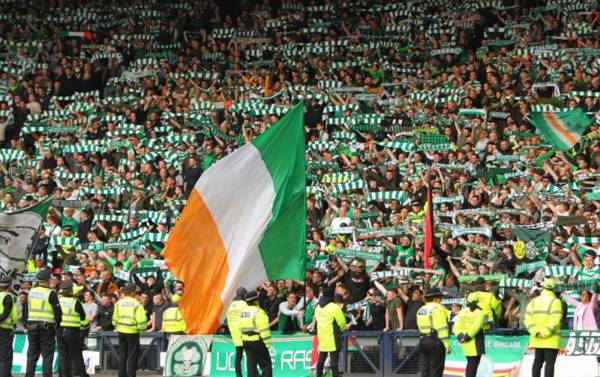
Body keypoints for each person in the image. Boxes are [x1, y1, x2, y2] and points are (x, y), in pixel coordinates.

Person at [23, 268, 62, 377]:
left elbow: (25, 310)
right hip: (47, 328)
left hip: (31, 327)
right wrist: (57, 326)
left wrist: (26, 324)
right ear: (48, 280)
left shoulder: (30, 292)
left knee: (32, 355)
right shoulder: (50, 293)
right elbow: (58, 313)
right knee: (47, 355)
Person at [524, 278, 563, 377]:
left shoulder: (533, 301)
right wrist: (545, 333)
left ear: (543, 288)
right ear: (554, 289)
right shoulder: (556, 302)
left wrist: (535, 332)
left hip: (537, 338)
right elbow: (555, 320)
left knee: (537, 362)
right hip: (551, 339)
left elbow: (527, 319)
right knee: (549, 364)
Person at [112, 283, 147, 377]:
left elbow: (114, 319)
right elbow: (141, 321)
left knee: (122, 355)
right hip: (132, 332)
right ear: (133, 292)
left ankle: (121, 375)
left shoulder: (119, 303)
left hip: (121, 331)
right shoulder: (137, 304)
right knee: (132, 356)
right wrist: (142, 330)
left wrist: (118, 326)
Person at [57, 280, 89, 377]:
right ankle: (83, 375)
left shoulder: (58, 301)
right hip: (72, 331)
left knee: (63, 355)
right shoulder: (75, 302)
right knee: (76, 354)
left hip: (59, 331)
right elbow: (83, 318)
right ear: (71, 290)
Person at [416, 288, 449, 377]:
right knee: (436, 370)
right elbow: (442, 328)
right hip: (435, 342)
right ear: (435, 298)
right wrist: (447, 345)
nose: (440, 300)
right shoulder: (438, 308)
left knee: (425, 370)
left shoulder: (421, 309)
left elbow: (419, 326)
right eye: (439, 298)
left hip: (423, 341)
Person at [314, 287, 347, 377]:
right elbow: (342, 322)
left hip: (322, 336)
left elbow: (316, 319)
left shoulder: (318, 307)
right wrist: (341, 330)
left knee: (321, 359)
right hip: (332, 336)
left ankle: (319, 376)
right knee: (334, 361)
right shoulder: (334, 307)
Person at [239, 290, 272, 377]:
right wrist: (267, 344)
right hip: (257, 342)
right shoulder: (259, 312)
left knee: (251, 365)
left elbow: (240, 327)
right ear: (256, 300)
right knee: (266, 365)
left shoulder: (243, 312)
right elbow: (264, 330)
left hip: (246, 341)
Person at [453, 295, 485, 377]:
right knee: (473, 366)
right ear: (477, 302)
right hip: (474, 341)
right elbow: (476, 327)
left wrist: (460, 337)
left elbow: (456, 326)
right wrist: (467, 337)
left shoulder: (462, 311)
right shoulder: (480, 312)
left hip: (465, 342)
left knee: (470, 364)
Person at [226, 287, 248, 377]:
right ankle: (254, 373)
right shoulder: (244, 304)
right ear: (244, 294)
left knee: (238, 356)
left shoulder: (230, 306)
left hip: (235, 334)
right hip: (244, 333)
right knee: (251, 356)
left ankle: (238, 375)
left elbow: (228, 320)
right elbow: (247, 317)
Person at [0, 276, 17, 377]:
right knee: (5, 356)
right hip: (4, 330)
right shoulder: (8, 296)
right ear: (9, 285)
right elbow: (5, 313)